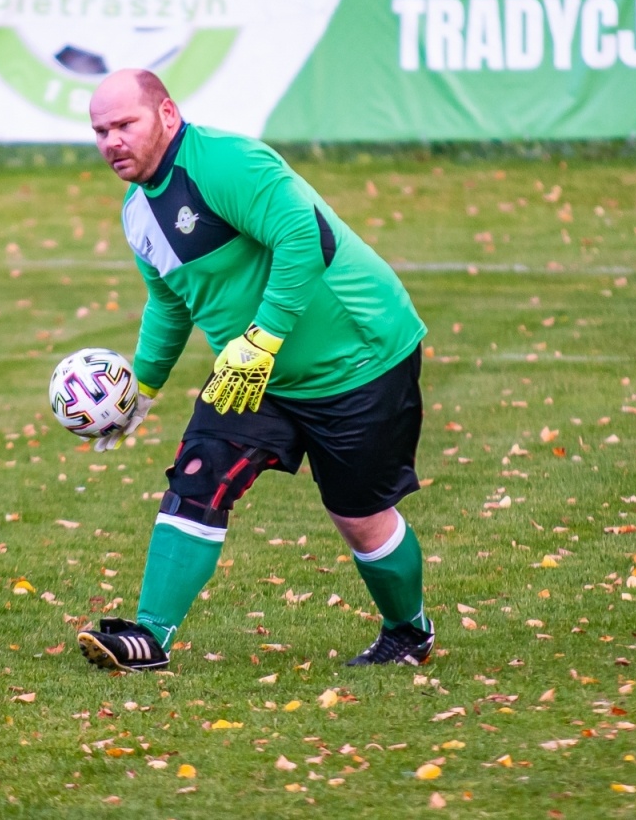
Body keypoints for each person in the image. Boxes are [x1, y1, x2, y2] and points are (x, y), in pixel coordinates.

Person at [72, 68, 434, 672]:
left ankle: (408, 632)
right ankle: (148, 636)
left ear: (166, 114)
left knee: (359, 515)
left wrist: (262, 338)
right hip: (253, 373)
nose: (111, 141)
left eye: (124, 124)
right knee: (197, 473)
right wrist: (142, 389)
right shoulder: (138, 213)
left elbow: (304, 235)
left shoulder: (225, 162)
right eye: (100, 131)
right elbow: (169, 302)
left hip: (360, 358)